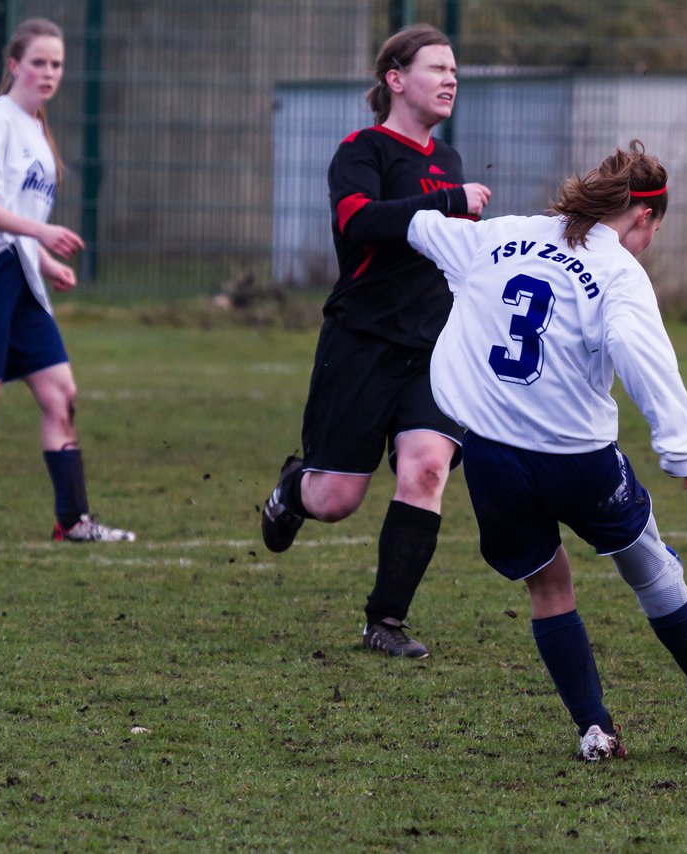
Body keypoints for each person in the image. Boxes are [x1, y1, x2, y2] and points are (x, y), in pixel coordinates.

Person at [404, 141, 687, 759]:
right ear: (644, 217)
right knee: (650, 566)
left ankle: (594, 729)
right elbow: (637, 350)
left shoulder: (499, 235)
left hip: (491, 456)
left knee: (548, 587)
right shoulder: (619, 272)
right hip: (577, 457)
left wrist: (427, 208)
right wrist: (679, 445)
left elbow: (419, 227)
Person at [260, 24, 491, 658]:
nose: (450, 79)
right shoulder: (362, 150)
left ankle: (384, 622)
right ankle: (292, 489)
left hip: (433, 350)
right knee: (336, 500)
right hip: (362, 342)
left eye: (454, 71)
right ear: (395, 78)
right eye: (436, 68)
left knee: (426, 467)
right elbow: (358, 221)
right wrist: (447, 201)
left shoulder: (448, 160)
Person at [0, 18, 134, 543]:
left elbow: (15, 214)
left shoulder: (36, 130)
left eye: (57, 64)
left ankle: (73, 521)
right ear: (13, 66)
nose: (49, 73)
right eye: (38, 63)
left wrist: (45, 261)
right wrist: (43, 234)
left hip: (20, 275)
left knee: (59, 393)